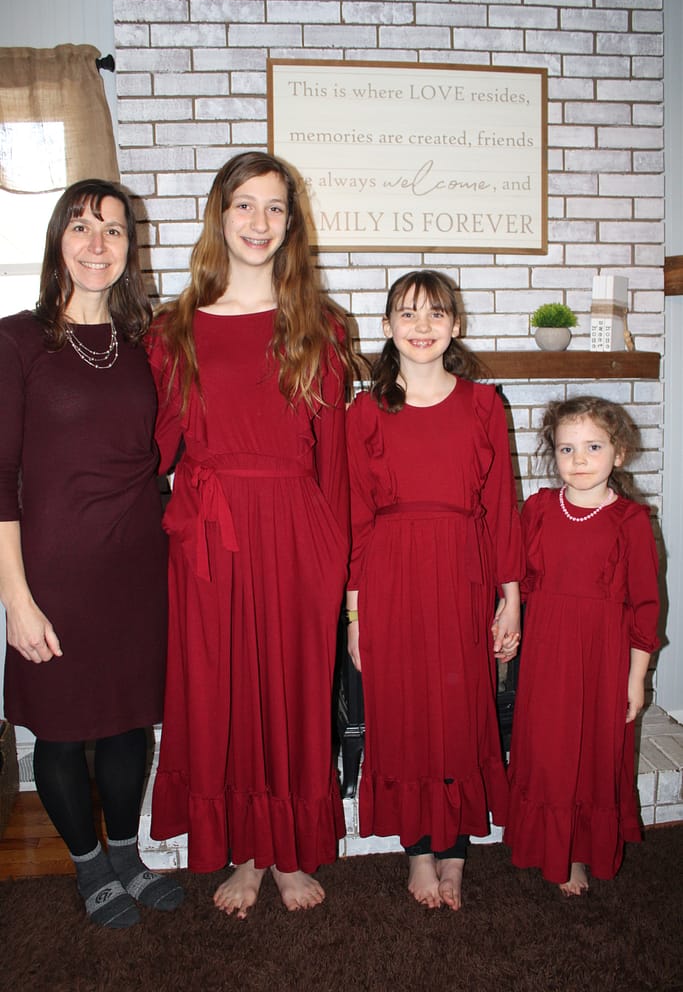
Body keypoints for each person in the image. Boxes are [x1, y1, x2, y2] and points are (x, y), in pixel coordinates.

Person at [148, 151, 362, 917]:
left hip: (298, 533)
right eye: (244, 205)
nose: (259, 222)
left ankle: (284, 852)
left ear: (291, 225)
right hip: (207, 536)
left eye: (275, 208)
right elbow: (149, 448)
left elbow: (335, 462)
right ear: (219, 214)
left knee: (297, 694)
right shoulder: (173, 330)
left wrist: (347, 582)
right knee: (220, 694)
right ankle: (241, 850)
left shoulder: (321, 327)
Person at [0, 179, 184, 928]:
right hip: (54, 571)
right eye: (81, 227)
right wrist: (16, 597)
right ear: (58, 242)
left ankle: (128, 854)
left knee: (125, 723)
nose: (97, 243)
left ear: (129, 248)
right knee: (63, 725)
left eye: (112, 229)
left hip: (136, 566)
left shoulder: (149, 345)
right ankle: (87, 865)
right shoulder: (17, 340)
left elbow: (166, 449)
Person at [345, 270, 523, 911]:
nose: (422, 326)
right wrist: (355, 616)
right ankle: (418, 852)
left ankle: (455, 851)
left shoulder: (483, 404)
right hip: (391, 577)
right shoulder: (363, 412)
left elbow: (502, 508)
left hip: (463, 572)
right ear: (389, 327)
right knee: (403, 714)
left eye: (436, 313)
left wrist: (512, 598)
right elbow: (356, 521)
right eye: (408, 314)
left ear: (457, 324)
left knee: (461, 709)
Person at [504, 396, 660, 896]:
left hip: (602, 660)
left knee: (589, 753)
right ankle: (544, 845)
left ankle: (576, 852)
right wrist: (505, 621)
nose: (579, 459)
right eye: (567, 448)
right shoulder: (541, 509)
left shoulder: (631, 521)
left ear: (618, 453)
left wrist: (636, 679)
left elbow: (644, 606)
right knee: (549, 751)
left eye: (593, 447)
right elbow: (521, 583)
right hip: (548, 655)